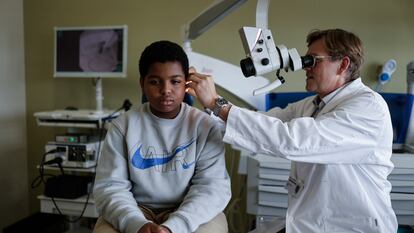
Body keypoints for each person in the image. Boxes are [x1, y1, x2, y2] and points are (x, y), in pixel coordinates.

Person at [186, 29, 398, 233]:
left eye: (313, 60)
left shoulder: (368, 107)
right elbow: (263, 124)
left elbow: (290, 139)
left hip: (350, 226)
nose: (305, 67)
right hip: (313, 221)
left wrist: (218, 103)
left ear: (343, 65)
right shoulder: (312, 104)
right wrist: (210, 106)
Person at [93, 40, 231, 233]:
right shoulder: (122, 126)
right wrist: (136, 224)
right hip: (136, 208)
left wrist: (174, 226)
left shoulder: (205, 126)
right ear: (142, 83)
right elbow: (110, 188)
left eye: (175, 81)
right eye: (155, 81)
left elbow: (212, 188)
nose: (166, 90)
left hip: (187, 208)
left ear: (186, 83)